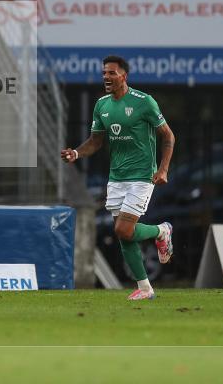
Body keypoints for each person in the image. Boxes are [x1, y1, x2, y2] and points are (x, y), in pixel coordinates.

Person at [60, 56, 175, 301]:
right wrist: (77, 153)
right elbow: (96, 141)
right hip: (117, 177)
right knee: (123, 233)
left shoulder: (144, 102)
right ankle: (145, 289)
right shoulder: (102, 105)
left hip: (142, 176)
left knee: (123, 229)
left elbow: (168, 136)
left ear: (124, 76)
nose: (106, 77)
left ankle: (160, 231)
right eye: (104, 73)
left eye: (111, 73)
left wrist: (163, 169)